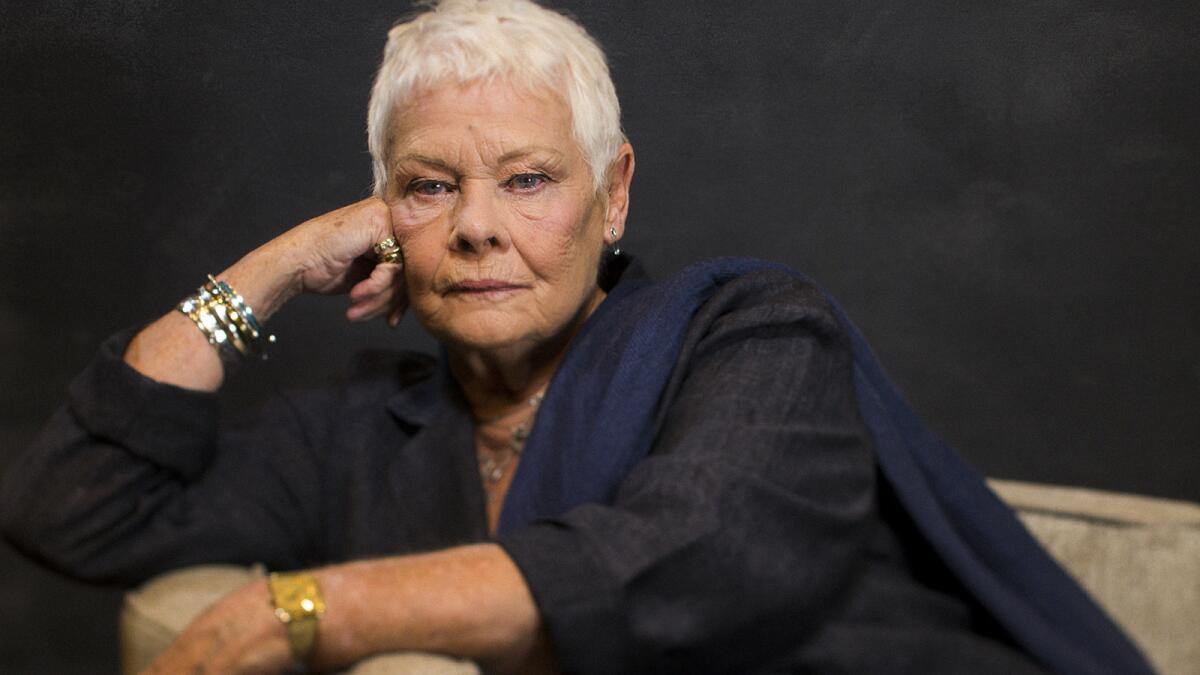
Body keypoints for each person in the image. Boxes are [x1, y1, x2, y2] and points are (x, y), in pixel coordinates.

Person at [0, 1, 1153, 673]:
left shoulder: (749, 333)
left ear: (613, 197)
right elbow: (72, 510)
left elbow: (707, 554)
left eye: (529, 179)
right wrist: (269, 271)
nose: (477, 229)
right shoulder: (359, 430)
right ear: (381, 218)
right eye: (428, 186)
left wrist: (304, 608)